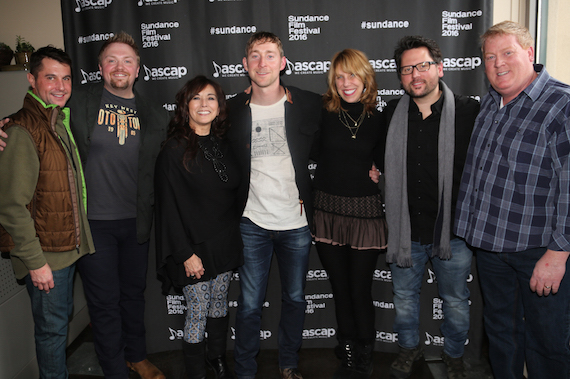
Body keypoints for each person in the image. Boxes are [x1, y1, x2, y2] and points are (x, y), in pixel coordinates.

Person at [455, 21, 570, 379]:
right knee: (501, 335)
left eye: (507, 53)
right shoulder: (491, 103)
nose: (498, 64)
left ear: (530, 54)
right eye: (490, 57)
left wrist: (558, 252)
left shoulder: (561, 105)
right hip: (490, 247)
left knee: (548, 341)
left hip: (539, 251)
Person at [68, 32, 170, 379]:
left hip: (136, 222)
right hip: (93, 222)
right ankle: (114, 369)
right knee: (104, 302)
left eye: (127, 60)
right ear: (100, 68)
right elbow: (41, 108)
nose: (119, 66)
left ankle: (137, 356)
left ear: (138, 69)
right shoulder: (79, 100)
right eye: (111, 60)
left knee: (133, 294)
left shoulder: (153, 114)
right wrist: (10, 121)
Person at [226, 31, 321, 379]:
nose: (262, 62)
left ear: (283, 63)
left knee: (295, 299)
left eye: (270, 55)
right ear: (245, 64)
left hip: (295, 222)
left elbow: (333, 149)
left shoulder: (309, 103)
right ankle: (245, 370)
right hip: (252, 222)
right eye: (255, 55)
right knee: (249, 304)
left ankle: (289, 363)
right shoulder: (232, 108)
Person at [383, 36, 479, 379]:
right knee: (404, 299)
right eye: (407, 69)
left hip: (452, 232)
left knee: (455, 302)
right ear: (400, 77)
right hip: (405, 230)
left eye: (422, 65)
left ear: (439, 68)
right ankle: (409, 349)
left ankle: (454, 355)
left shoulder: (469, 111)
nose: (415, 74)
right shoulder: (391, 114)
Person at [0, 46, 95, 379]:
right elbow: (11, 206)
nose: (60, 86)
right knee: (52, 333)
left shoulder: (56, 121)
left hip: (64, 251)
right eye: (50, 77)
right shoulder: (23, 130)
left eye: (66, 78)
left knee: (58, 327)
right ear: (31, 79)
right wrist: (36, 262)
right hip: (46, 257)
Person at [154, 75, 243, 379]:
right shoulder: (173, 150)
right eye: (196, 98)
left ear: (220, 106)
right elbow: (167, 209)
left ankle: (216, 359)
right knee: (198, 311)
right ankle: (196, 372)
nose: (204, 104)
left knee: (219, 302)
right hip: (193, 249)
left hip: (225, 243)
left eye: (211, 98)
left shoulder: (223, 143)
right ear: (185, 105)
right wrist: (185, 254)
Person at [310, 48, 387, 378]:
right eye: (339, 77)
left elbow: (389, 159)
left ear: (365, 77)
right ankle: (348, 346)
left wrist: (381, 172)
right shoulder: (322, 112)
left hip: (365, 213)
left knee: (359, 289)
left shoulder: (380, 118)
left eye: (352, 75)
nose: (346, 82)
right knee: (340, 288)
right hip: (327, 211)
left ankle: (365, 348)